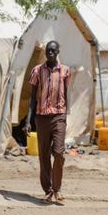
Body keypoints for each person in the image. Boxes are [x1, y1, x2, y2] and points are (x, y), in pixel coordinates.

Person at [24, 41, 71, 205]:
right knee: (44, 155)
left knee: (58, 152)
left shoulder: (65, 70)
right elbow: (32, 97)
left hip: (58, 116)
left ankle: (57, 188)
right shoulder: (37, 70)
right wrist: (29, 120)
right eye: (47, 51)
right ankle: (48, 190)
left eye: (52, 50)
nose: (49, 53)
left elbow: (66, 92)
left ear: (58, 51)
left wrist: (66, 114)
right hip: (41, 117)